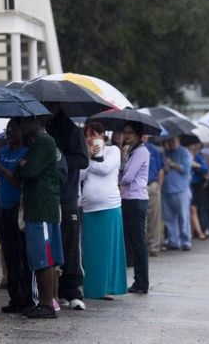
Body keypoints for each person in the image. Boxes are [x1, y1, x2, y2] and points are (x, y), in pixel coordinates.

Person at [17, 115, 64, 318]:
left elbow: (29, 171)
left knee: (43, 257)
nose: (21, 127)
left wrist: (23, 165)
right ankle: (46, 302)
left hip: (41, 208)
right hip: (40, 208)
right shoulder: (40, 142)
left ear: (35, 122)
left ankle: (47, 303)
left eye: (23, 122)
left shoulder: (44, 141)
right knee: (43, 256)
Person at [0, 118, 33, 313]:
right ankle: (15, 297)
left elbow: (18, 181)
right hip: (3, 208)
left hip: (19, 208)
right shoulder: (3, 151)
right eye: (8, 129)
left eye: (14, 129)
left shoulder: (27, 153)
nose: (10, 133)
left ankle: (27, 297)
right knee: (9, 255)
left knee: (23, 255)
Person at [45, 104, 89, 311]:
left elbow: (82, 160)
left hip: (67, 196)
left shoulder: (72, 130)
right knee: (50, 247)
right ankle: (55, 291)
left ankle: (73, 291)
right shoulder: (41, 127)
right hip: (46, 195)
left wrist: (58, 159)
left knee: (70, 245)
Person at [80, 121, 127, 299]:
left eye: (94, 134)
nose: (91, 138)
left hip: (110, 205)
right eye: (88, 135)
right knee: (91, 250)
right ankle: (92, 288)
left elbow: (105, 169)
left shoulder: (112, 150)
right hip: (89, 207)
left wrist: (91, 158)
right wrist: (86, 156)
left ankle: (108, 287)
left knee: (108, 250)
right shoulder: (85, 153)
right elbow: (81, 174)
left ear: (102, 136)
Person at [119, 121, 150, 294]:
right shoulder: (131, 151)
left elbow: (128, 176)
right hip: (129, 198)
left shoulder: (140, 151)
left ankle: (142, 282)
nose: (126, 136)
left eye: (129, 133)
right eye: (125, 132)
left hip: (136, 198)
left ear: (138, 135)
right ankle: (138, 280)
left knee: (138, 242)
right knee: (132, 241)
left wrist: (116, 180)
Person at [161, 136, 193, 250]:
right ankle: (173, 241)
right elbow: (164, 170)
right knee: (169, 218)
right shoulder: (165, 152)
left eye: (172, 140)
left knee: (184, 217)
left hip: (181, 189)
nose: (170, 143)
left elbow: (186, 170)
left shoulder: (184, 152)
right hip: (166, 189)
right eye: (168, 141)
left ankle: (186, 241)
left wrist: (173, 164)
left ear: (178, 139)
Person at [144, 137, 165, 257]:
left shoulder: (154, 150)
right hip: (138, 187)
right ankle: (144, 245)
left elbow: (160, 169)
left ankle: (154, 246)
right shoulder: (131, 148)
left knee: (154, 218)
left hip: (151, 184)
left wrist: (158, 186)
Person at [189, 142, 208, 240]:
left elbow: (205, 169)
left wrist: (197, 165)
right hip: (187, 185)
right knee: (191, 210)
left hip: (196, 186)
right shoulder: (185, 155)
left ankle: (199, 231)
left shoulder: (198, 157)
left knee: (193, 209)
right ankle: (193, 231)